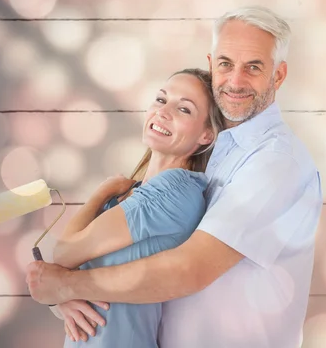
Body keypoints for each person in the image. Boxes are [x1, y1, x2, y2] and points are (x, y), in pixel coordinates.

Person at [27, 6, 323, 348]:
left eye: (253, 67)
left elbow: (189, 269)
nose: (236, 81)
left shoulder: (275, 162)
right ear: (212, 65)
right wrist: (62, 294)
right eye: (226, 64)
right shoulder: (214, 152)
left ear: (279, 75)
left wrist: (66, 286)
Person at [48, 68, 224, 347]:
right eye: (161, 99)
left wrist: (101, 191)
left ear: (206, 135)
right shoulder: (133, 192)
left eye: (184, 109)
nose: (163, 112)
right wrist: (60, 297)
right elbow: (62, 272)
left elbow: (63, 252)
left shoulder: (176, 190)